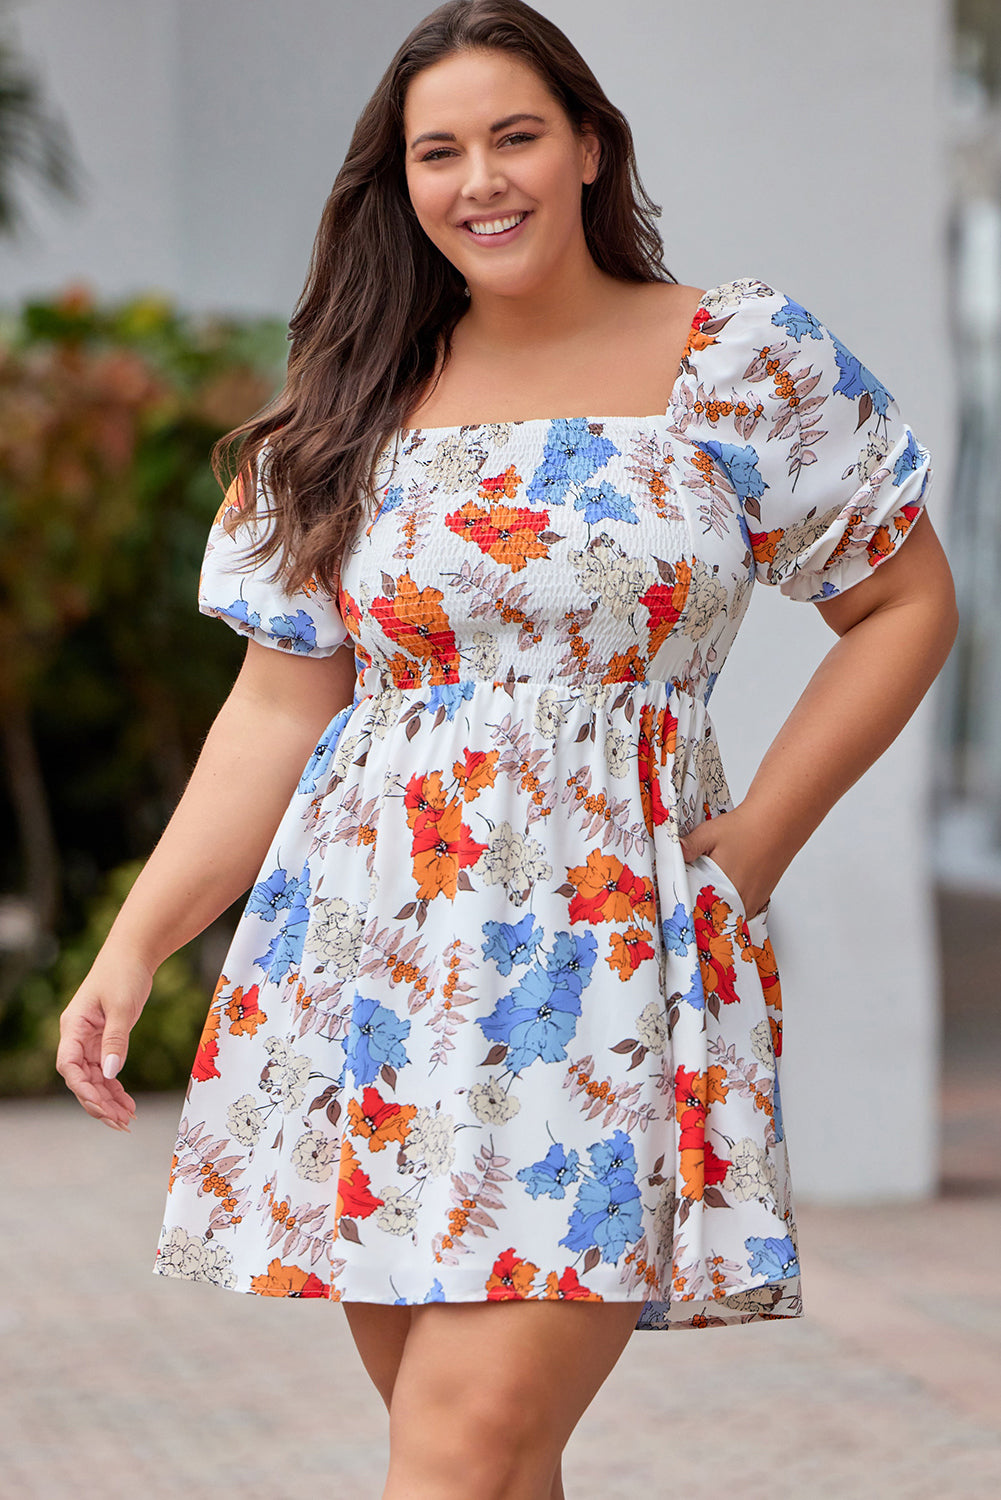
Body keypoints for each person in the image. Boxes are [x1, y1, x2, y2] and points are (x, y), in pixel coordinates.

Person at [56, 2, 958, 1496]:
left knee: (461, 1446)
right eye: (439, 151)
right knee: (488, 1455)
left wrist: (753, 849)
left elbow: (905, 602)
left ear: (589, 146)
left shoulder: (736, 358)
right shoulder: (351, 400)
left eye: (515, 134)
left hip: (612, 962)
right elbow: (277, 708)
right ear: (396, 183)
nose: (481, 177)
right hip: (370, 969)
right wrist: (134, 946)